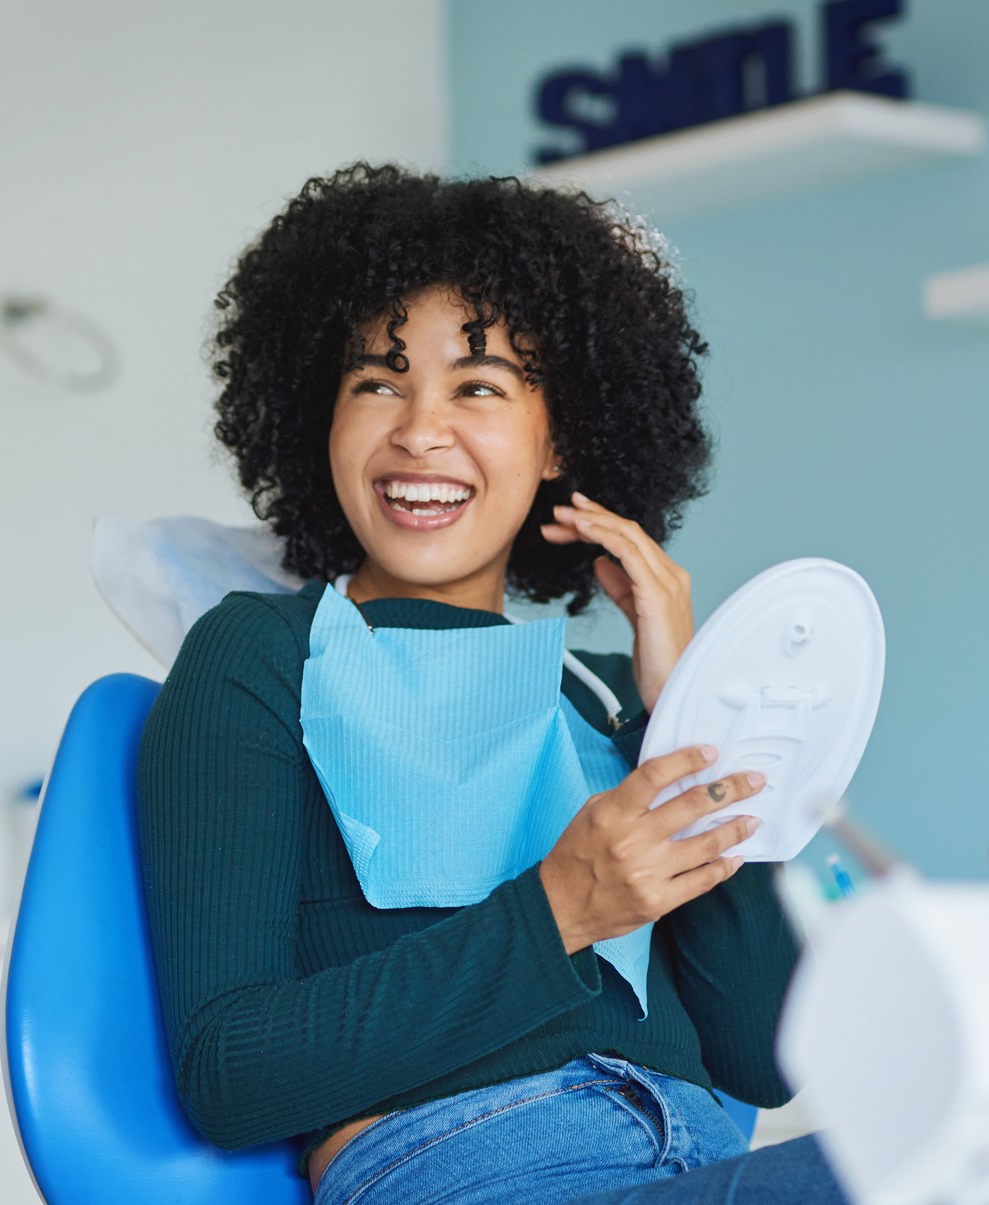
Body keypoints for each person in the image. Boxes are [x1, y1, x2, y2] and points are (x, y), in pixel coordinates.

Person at [136, 163, 850, 1204]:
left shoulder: (611, 699)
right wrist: (559, 906)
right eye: (375, 381)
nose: (419, 430)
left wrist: (694, 708)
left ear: (558, 435)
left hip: (696, 1160)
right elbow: (230, 1072)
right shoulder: (259, 655)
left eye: (478, 386)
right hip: (477, 1167)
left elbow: (763, 1052)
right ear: (316, 418)